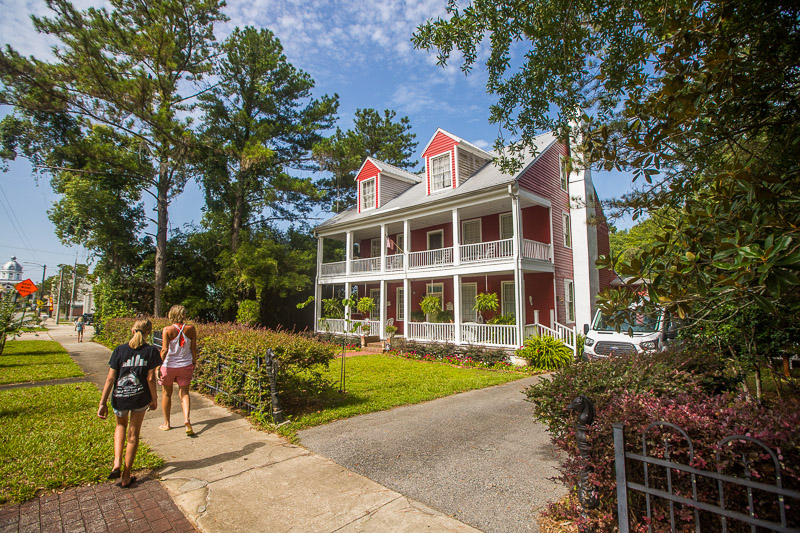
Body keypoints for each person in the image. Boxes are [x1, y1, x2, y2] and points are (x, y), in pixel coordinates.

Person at [97, 316, 160, 488]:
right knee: (133, 435)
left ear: (132, 331)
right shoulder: (151, 351)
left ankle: (117, 462)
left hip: (119, 397)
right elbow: (150, 378)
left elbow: (111, 378)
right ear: (148, 333)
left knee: (120, 426)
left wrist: (102, 402)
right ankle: (126, 475)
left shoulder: (119, 350)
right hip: (140, 397)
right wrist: (154, 399)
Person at [159, 305, 198, 435]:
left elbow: (164, 350)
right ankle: (187, 420)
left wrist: (159, 365)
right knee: (185, 394)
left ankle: (167, 423)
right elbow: (193, 348)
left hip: (169, 365)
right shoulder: (191, 329)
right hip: (185, 364)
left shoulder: (167, 330)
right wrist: (194, 361)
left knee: (166, 394)